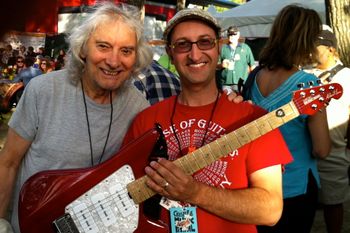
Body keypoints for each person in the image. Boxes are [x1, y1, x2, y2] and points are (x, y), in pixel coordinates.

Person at [122, 8, 293, 233]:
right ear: (170, 54)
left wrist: (194, 192)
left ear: (219, 47)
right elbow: (124, 198)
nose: (195, 54)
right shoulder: (145, 122)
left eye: (205, 42)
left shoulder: (253, 119)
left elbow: (270, 211)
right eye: (183, 45)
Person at [0, 2, 153, 232]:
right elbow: (8, 163)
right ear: (83, 49)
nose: (113, 61)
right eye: (103, 46)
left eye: (126, 51)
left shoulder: (139, 109)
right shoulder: (43, 91)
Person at [242, 5, 331, 233]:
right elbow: (321, 149)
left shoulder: (254, 76)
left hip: (256, 187)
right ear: (307, 40)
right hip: (295, 187)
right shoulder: (308, 85)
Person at [311, 26, 350, 233]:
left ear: (332, 49)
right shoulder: (303, 74)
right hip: (304, 154)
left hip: (335, 153)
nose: (310, 50)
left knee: (333, 204)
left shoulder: (348, 77)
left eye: (315, 46)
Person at [218, 25, 255, 94]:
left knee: (240, 103)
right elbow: (216, 66)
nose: (232, 36)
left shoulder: (245, 48)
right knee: (226, 103)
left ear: (238, 35)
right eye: (230, 34)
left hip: (241, 84)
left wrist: (251, 83)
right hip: (226, 84)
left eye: (234, 34)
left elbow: (252, 66)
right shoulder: (223, 48)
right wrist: (221, 65)